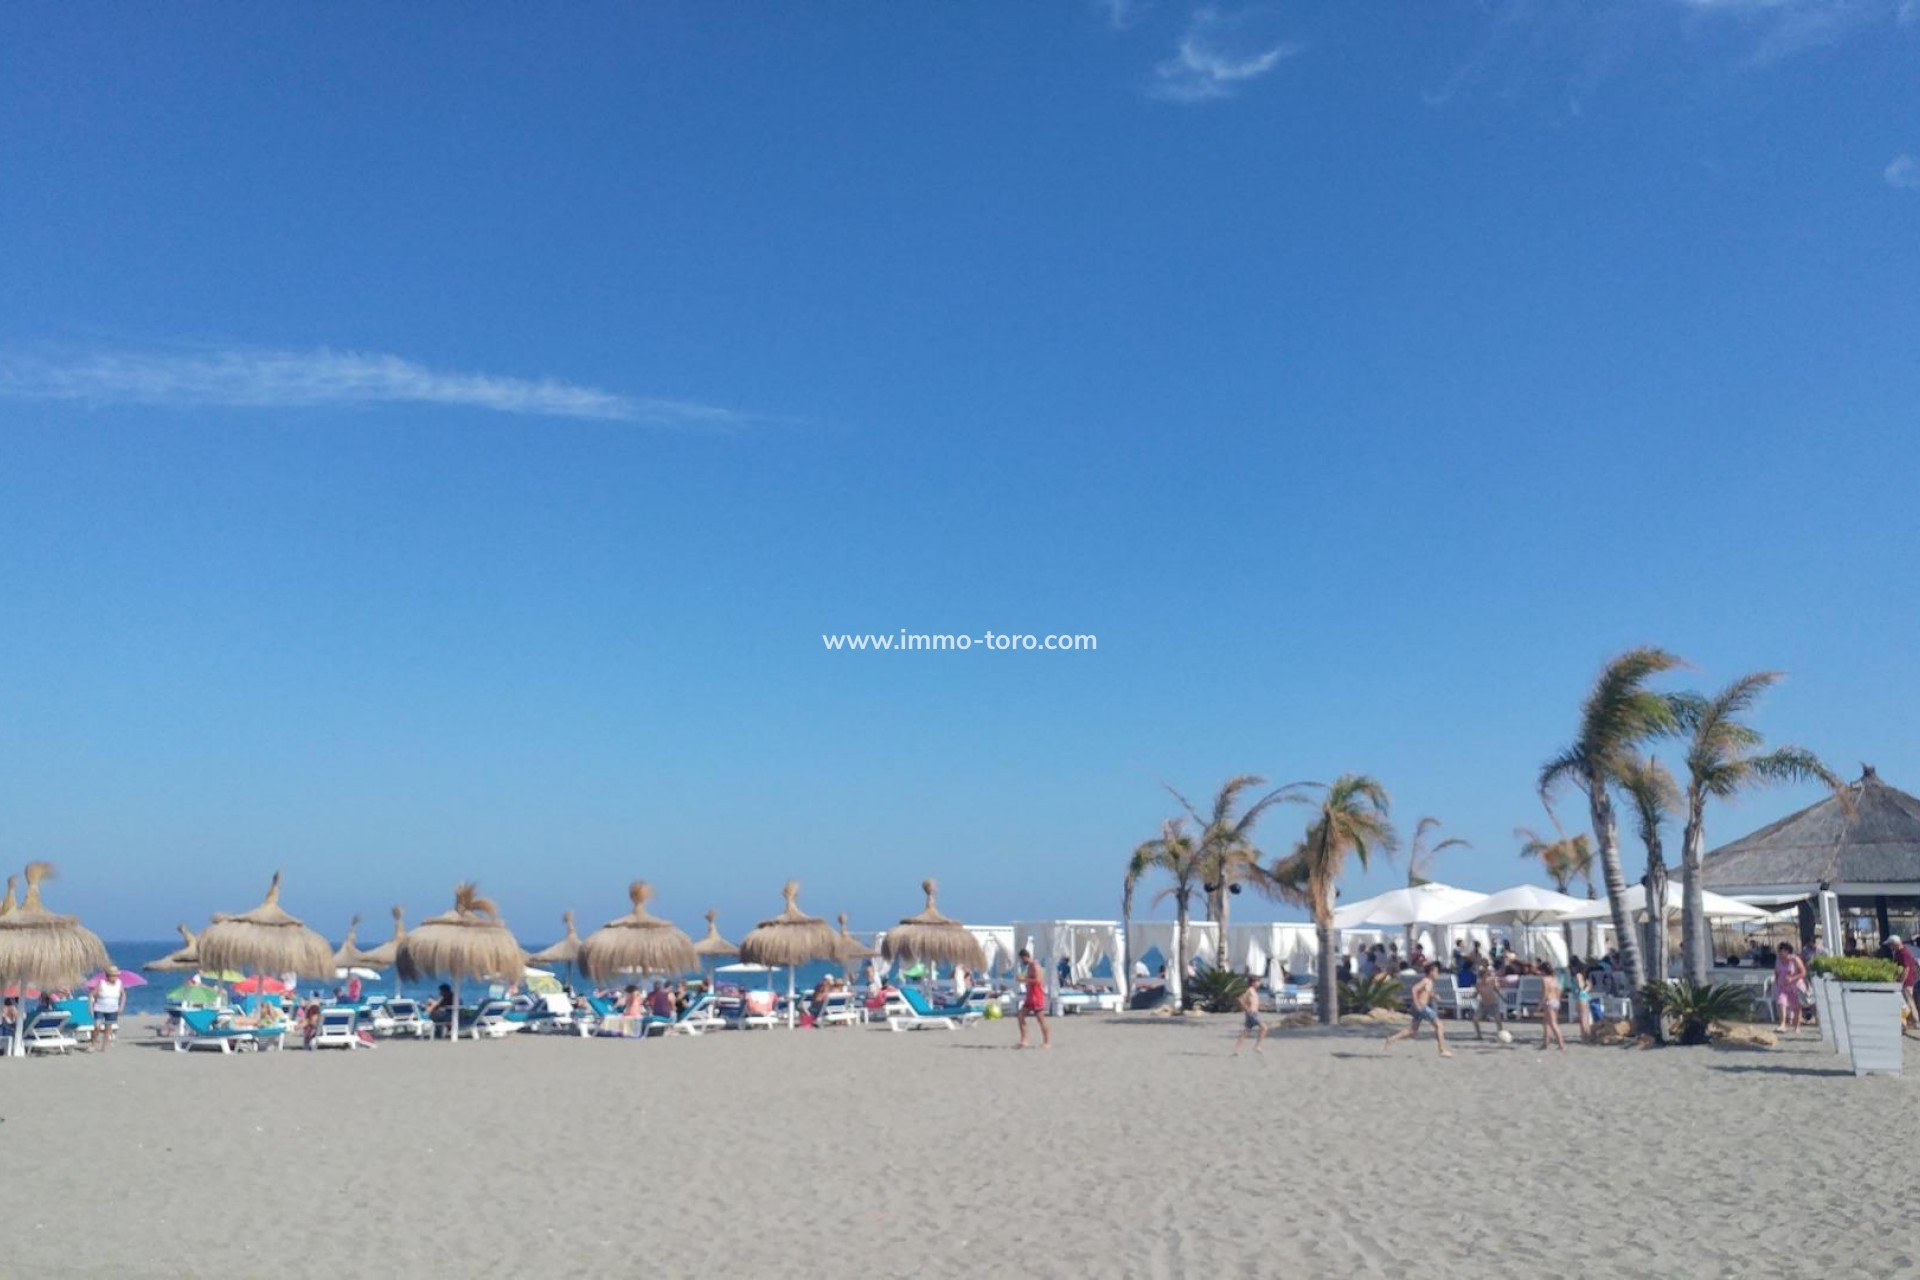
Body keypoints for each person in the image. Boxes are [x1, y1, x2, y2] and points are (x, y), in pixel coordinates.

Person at [1385, 962, 1451, 1057]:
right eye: (1436, 972)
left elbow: (1427, 991)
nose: (1437, 974)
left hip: (1420, 1008)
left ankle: (1391, 1039)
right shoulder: (1426, 981)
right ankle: (1442, 1050)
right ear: (1431, 972)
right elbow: (1414, 989)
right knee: (1439, 1025)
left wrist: (1434, 995)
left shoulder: (1429, 982)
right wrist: (1417, 1003)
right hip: (1422, 1007)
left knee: (1412, 1031)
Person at [1015, 948, 1050, 1049]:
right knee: (1020, 1016)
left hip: (1036, 996)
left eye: (1022, 959)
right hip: (1030, 996)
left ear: (1025, 957)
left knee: (1041, 1019)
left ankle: (1046, 1042)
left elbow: (1038, 980)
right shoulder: (1029, 966)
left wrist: (1024, 980)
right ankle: (1024, 1040)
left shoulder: (1035, 965)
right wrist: (1022, 979)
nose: (1022, 961)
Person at [90, 965, 126, 1052]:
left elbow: (123, 995)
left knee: (108, 1028)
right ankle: (93, 1044)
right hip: (99, 1008)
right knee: (97, 1026)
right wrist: (90, 1007)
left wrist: (121, 1007)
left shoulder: (119, 983)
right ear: (108, 976)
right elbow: (91, 995)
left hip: (112, 1009)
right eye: (113, 975)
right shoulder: (101, 983)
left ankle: (104, 1046)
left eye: (116, 975)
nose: (115, 977)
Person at [1774, 942, 1808, 1034]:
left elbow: (1803, 972)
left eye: (1781, 951)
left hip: (1795, 987)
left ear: (1787, 951)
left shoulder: (1795, 960)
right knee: (1781, 1003)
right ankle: (1782, 1024)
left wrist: (1792, 978)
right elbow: (1776, 972)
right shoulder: (1778, 960)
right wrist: (1777, 982)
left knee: (1797, 1007)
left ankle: (1797, 1027)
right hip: (1783, 986)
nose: (1780, 953)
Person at [1469, 962, 1506, 1042]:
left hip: (1493, 1004)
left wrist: (1503, 998)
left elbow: (1497, 991)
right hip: (1483, 1004)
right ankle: (1479, 1035)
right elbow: (1475, 995)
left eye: (1486, 976)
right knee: (1475, 1019)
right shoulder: (1478, 984)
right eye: (1482, 977)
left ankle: (1501, 1034)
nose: (1485, 979)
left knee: (1498, 1020)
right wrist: (1468, 997)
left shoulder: (1492, 981)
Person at [1231, 976, 1266, 1057]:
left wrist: (1264, 1006)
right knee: (1264, 1027)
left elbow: (1254, 1003)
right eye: (1258, 982)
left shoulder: (1254, 991)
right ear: (1253, 983)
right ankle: (1257, 1046)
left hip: (1254, 1013)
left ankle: (1236, 1050)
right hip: (1252, 1014)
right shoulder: (1249, 990)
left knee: (1245, 1032)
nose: (1259, 983)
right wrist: (1246, 1009)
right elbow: (1240, 999)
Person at [1889, 936, 1919, 1029]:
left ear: (1895, 944)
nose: (1890, 947)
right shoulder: (1899, 952)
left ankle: (1915, 1022)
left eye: (1891, 945)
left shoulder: (1903, 953)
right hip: (1905, 981)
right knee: (1904, 1003)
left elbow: (1906, 969)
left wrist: (1902, 981)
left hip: (1906, 982)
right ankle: (1905, 1022)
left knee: (1908, 1002)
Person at [1537, 961, 1566, 1052]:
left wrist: (1540, 1004)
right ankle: (1545, 1042)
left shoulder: (1545, 979)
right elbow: (1558, 991)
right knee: (1546, 1023)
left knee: (1553, 1024)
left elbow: (1545, 993)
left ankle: (1561, 1044)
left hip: (1549, 1001)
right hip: (1555, 1001)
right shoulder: (1555, 979)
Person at [1571, 964, 1596, 1044]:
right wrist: (1585, 990)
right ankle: (1587, 1036)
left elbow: (1580, 986)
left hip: (1580, 997)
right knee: (1586, 1018)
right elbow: (1590, 986)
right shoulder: (1584, 976)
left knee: (1583, 1019)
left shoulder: (1578, 975)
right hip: (1585, 997)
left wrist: (1581, 989)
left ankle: (1585, 1037)